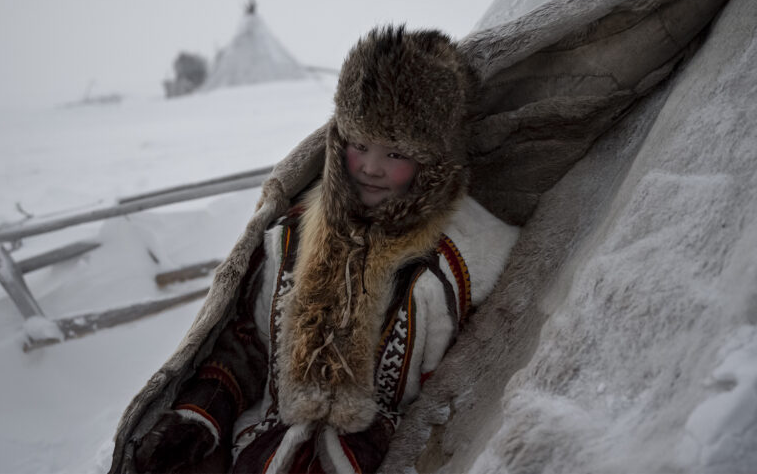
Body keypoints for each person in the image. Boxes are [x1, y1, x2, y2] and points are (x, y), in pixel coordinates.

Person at [134, 25, 518, 474]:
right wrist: (202, 414)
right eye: (360, 144)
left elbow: (462, 397)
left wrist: (372, 444)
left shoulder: (465, 262)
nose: (371, 167)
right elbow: (250, 344)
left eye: (395, 153)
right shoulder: (290, 238)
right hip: (258, 454)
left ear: (433, 160)